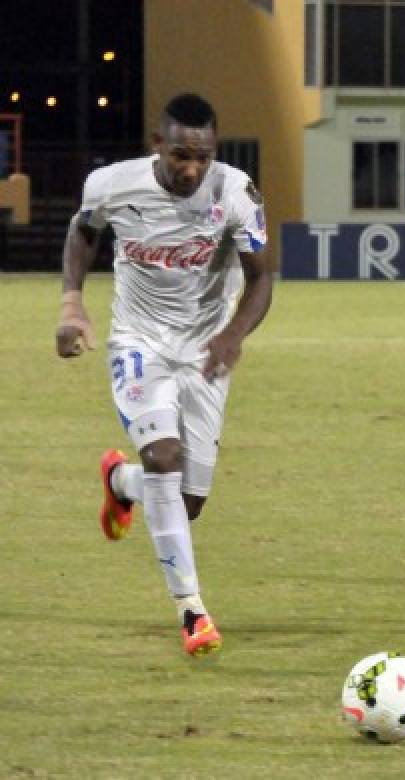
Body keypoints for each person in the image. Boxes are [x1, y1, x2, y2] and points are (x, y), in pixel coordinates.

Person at [55, 93, 273, 655]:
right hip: (139, 340)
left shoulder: (235, 193)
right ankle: (192, 612)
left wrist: (232, 335)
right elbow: (83, 231)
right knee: (164, 459)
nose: (192, 169)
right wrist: (71, 303)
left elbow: (261, 279)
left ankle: (120, 483)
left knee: (188, 501)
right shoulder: (113, 185)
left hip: (206, 353)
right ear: (159, 145)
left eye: (203, 156)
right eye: (181, 155)